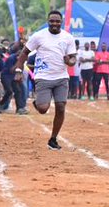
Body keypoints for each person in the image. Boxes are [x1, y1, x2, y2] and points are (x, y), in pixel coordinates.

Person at [14, 10, 77, 150]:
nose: (54, 23)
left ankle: (53, 139)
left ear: (61, 22)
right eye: (52, 21)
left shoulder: (68, 38)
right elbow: (24, 53)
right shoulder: (38, 36)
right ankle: (38, 103)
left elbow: (73, 57)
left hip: (61, 77)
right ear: (48, 21)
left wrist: (70, 61)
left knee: (61, 107)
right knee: (43, 109)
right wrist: (18, 70)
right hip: (43, 77)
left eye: (57, 21)